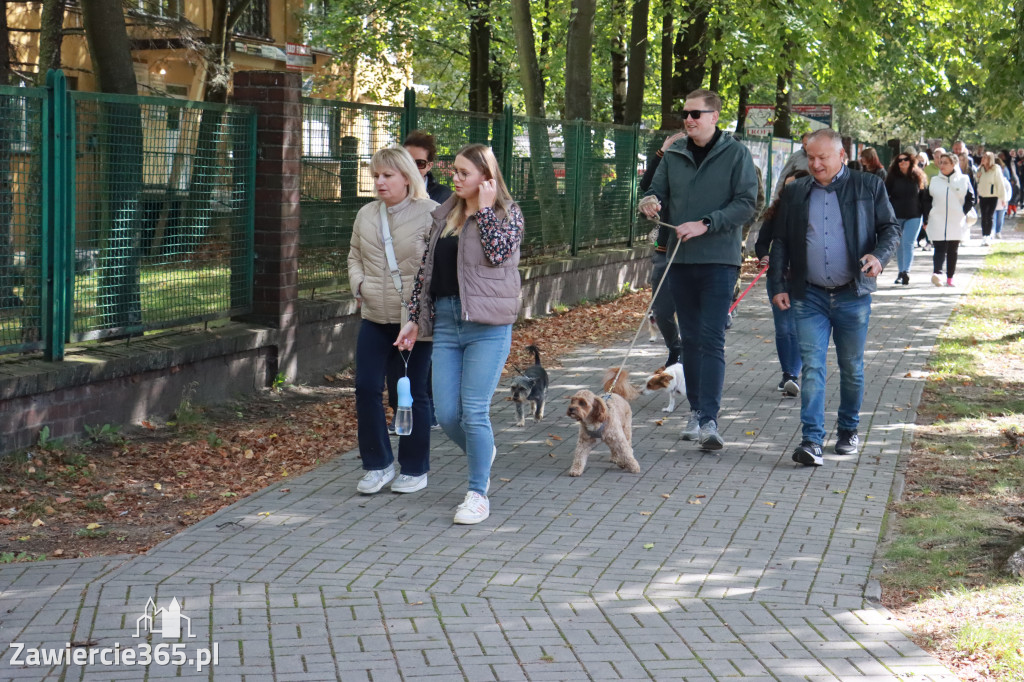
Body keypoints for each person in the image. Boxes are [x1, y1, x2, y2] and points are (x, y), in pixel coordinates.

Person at [395, 143, 524, 525]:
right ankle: (483, 452)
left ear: (487, 178)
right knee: (447, 414)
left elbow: (499, 253)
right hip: (448, 322)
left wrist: (484, 211)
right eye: (454, 171)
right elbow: (426, 272)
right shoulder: (445, 214)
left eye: (464, 173)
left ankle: (477, 493)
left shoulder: (507, 213)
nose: (455, 178)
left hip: (488, 326)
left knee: (474, 412)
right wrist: (415, 318)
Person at [767, 128, 899, 466]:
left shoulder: (868, 186)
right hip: (807, 294)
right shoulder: (796, 192)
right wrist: (779, 285)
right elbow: (780, 240)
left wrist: (879, 258)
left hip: (852, 294)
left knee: (851, 367)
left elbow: (890, 229)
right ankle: (811, 440)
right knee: (812, 366)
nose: (815, 163)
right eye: (810, 157)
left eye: (822, 157)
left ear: (842, 156)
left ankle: (848, 429)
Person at [638, 88, 758, 451]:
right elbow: (654, 191)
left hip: (719, 261)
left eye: (695, 113)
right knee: (688, 340)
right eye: (685, 113)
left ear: (714, 117)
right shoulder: (673, 153)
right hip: (679, 259)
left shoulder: (736, 153)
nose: (688, 119)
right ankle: (695, 411)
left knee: (711, 338)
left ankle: (709, 419)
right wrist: (650, 203)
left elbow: (747, 204)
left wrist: (706, 223)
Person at [348, 147, 437, 495]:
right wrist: (359, 284)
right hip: (374, 316)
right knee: (366, 388)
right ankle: (377, 464)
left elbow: (435, 269)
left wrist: (419, 315)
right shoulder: (367, 214)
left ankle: (414, 468)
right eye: (376, 176)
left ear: (406, 177)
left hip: (412, 322)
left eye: (387, 175)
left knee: (411, 393)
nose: (380, 182)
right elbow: (354, 255)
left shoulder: (431, 213)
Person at [755, 169, 809, 397]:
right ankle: (788, 373)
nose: (789, 191)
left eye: (794, 186)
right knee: (782, 329)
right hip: (777, 278)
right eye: (786, 186)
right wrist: (764, 256)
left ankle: (792, 375)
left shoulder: (813, 211)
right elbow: (761, 243)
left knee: (796, 328)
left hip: (803, 279)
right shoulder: (775, 212)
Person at [639, 126, 687, 367]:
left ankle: (692, 352)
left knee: (691, 311)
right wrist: (662, 152)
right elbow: (646, 186)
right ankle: (675, 348)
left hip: (695, 250)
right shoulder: (667, 167)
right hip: (664, 249)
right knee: (661, 309)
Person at [923, 152, 973, 287]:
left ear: (953, 164)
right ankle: (937, 273)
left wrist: (963, 212)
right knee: (939, 247)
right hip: (937, 219)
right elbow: (926, 200)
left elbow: (971, 198)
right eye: (941, 162)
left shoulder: (964, 179)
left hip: (956, 221)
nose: (942, 165)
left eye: (946, 162)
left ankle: (950, 278)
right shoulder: (934, 180)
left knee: (952, 250)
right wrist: (928, 215)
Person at [885, 152, 928, 284]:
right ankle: (900, 271)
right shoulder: (892, 177)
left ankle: (906, 271)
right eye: (899, 160)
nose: (902, 162)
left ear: (911, 161)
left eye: (905, 160)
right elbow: (885, 196)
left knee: (907, 243)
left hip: (914, 214)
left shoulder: (918, 176)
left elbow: (925, 199)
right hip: (897, 215)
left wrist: (926, 218)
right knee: (899, 244)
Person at [404, 130, 453, 204]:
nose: (412, 168)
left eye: (419, 163)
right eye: (407, 162)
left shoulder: (444, 196)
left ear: (429, 166)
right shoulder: (390, 191)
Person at [976, 152, 1008, 246]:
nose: (983, 159)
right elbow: (978, 181)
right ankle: (984, 236)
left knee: (989, 216)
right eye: (983, 157)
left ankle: (988, 236)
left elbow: (1000, 183)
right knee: (983, 216)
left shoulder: (996, 169)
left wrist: (1003, 198)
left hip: (992, 196)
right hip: (982, 196)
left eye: (985, 157)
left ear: (990, 159)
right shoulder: (980, 169)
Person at [773, 132, 810, 198]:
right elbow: (783, 178)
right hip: (797, 194)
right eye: (805, 144)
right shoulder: (795, 157)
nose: (807, 147)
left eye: (809, 144)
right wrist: (776, 199)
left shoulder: (820, 158)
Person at [994, 157, 1011, 240]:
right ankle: (992, 232)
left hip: (1002, 203)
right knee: (993, 218)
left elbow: (1008, 191)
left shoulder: (1005, 181)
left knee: (1000, 219)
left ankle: (998, 231)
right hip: (993, 202)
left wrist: (1006, 200)